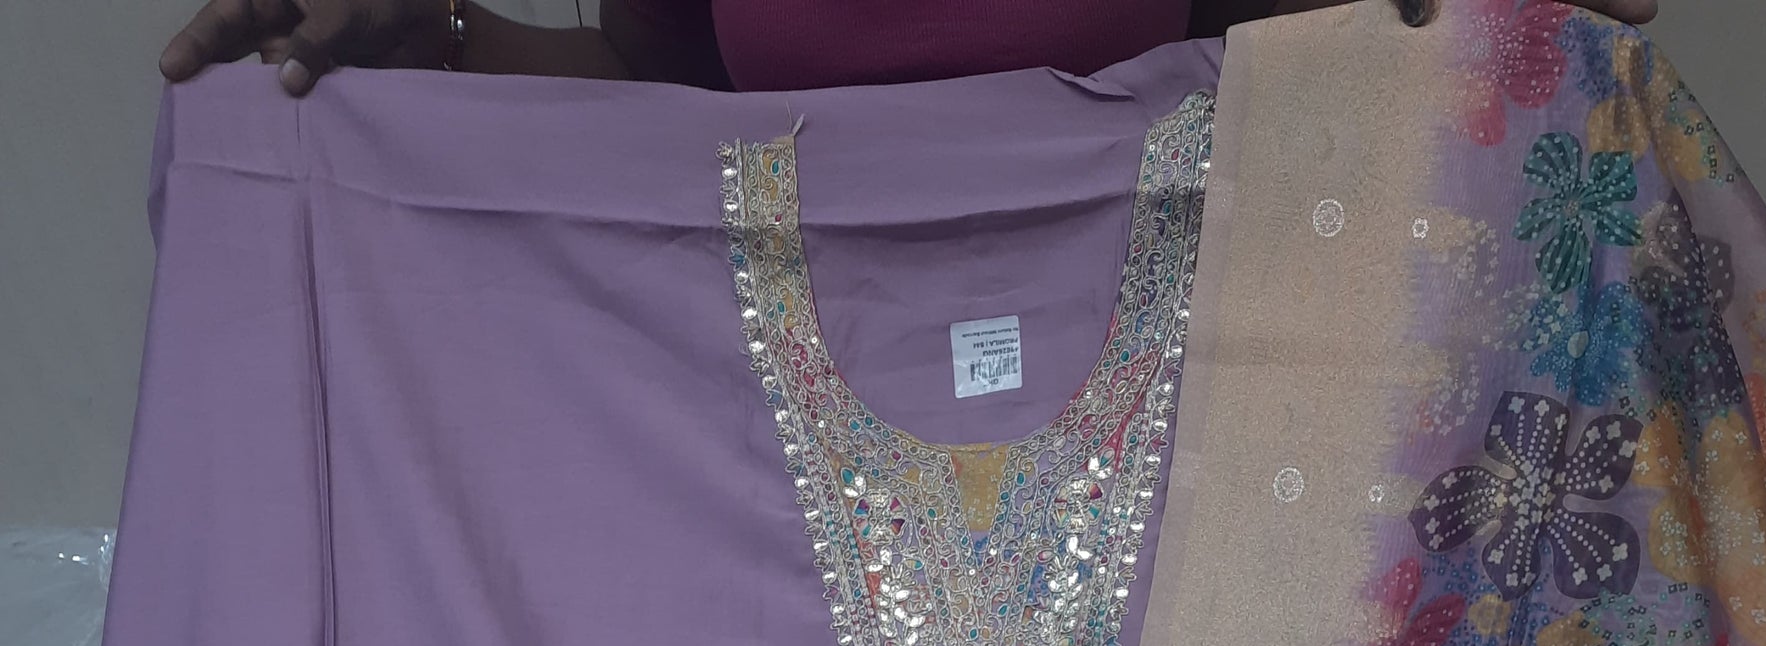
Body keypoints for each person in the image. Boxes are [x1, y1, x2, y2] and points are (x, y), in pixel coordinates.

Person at [161, 0, 1659, 99]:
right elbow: (665, 101)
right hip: (781, 434)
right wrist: (439, 43)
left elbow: (1302, 51)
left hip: (1200, 402)